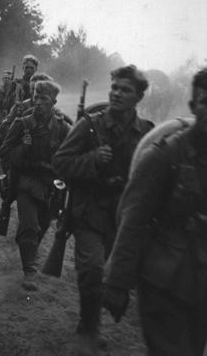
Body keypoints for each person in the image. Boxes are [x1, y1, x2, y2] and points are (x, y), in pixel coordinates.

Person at [103, 68, 207, 355]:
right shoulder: (165, 156)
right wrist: (117, 283)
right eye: (205, 102)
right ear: (193, 106)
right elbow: (132, 219)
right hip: (163, 280)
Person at [52, 65, 154, 352]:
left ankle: (90, 320)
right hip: (89, 211)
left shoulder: (146, 133)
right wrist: (92, 160)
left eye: (126, 90)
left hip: (122, 218)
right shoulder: (90, 125)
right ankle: (89, 327)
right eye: (115, 88)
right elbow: (60, 162)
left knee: (110, 276)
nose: (117, 94)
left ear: (138, 97)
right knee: (92, 269)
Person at [0, 80, 71, 290]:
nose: (38, 103)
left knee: (42, 226)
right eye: (36, 98)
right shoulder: (23, 123)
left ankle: (28, 252)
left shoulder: (62, 128)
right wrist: (23, 147)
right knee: (29, 225)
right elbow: (5, 151)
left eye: (44, 99)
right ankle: (29, 270)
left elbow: (72, 158)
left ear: (53, 102)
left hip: (50, 187)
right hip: (26, 182)